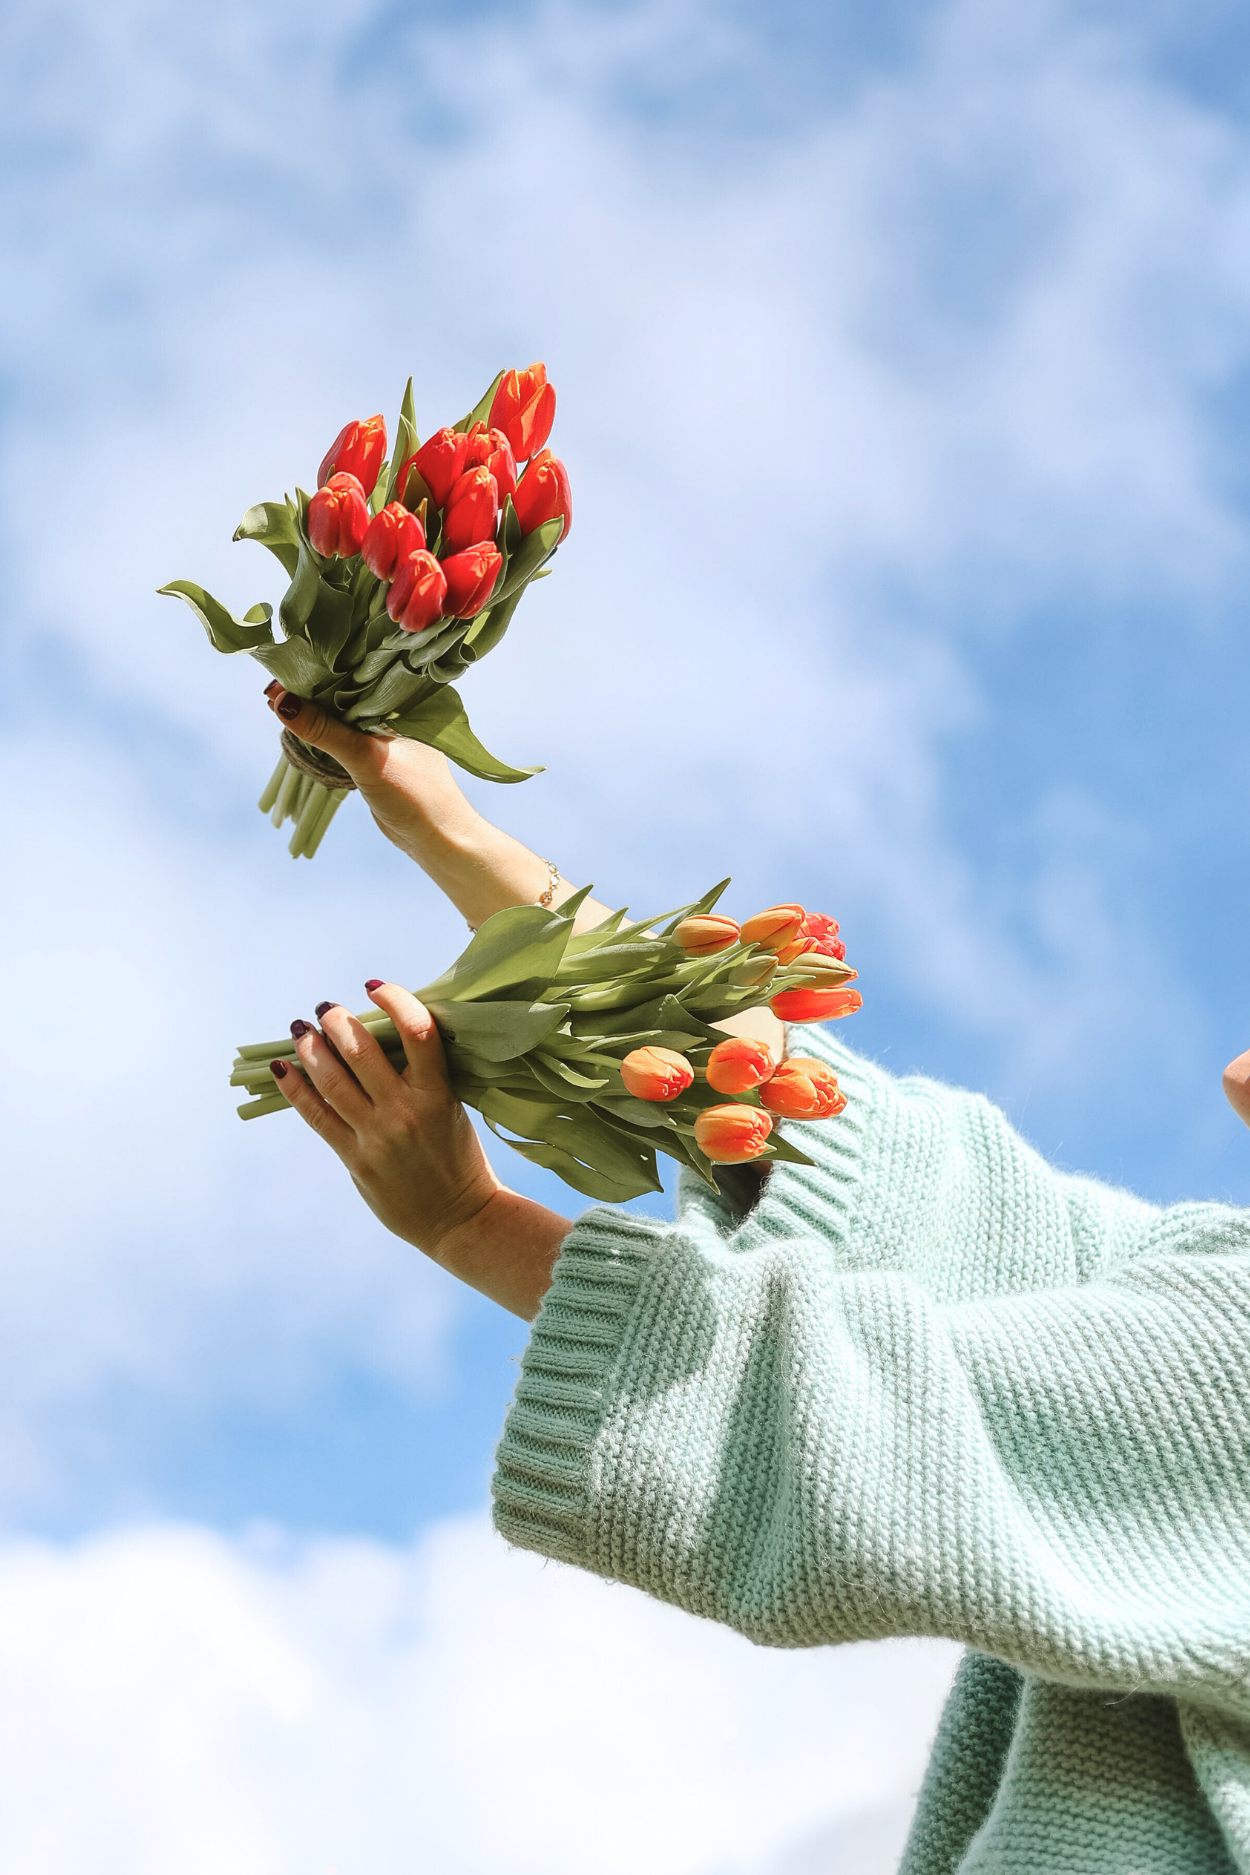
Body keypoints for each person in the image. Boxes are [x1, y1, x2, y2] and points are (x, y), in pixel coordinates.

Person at [261, 682, 1250, 1875]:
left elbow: (881, 1410)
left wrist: (472, 1221)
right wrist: (447, 828)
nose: (1234, 1066)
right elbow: (915, 1184)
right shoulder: (1193, 1286)